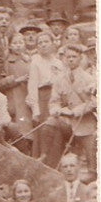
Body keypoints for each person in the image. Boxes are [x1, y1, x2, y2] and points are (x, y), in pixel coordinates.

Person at [46, 44, 97, 170]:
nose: (71, 59)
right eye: (68, 57)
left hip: (85, 123)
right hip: (66, 123)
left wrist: (75, 112)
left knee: (91, 156)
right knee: (50, 124)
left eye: (74, 57)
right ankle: (53, 166)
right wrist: (55, 110)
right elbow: (54, 101)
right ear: (64, 58)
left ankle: (92, 170)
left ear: (80, 58)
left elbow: (93, 102)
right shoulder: (59, 79)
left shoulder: (89, 79)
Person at [26, 29, 64, 161]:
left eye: (46, 42)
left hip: (56, 98)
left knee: (56, 129)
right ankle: (42, 160)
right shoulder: (36, 62)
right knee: (43, 130)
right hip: (42, 98)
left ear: (53, 43)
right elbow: (32, 86)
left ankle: (55, 162)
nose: (43, 45)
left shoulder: (59, 63)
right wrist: (35, 110)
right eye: (40, 43)